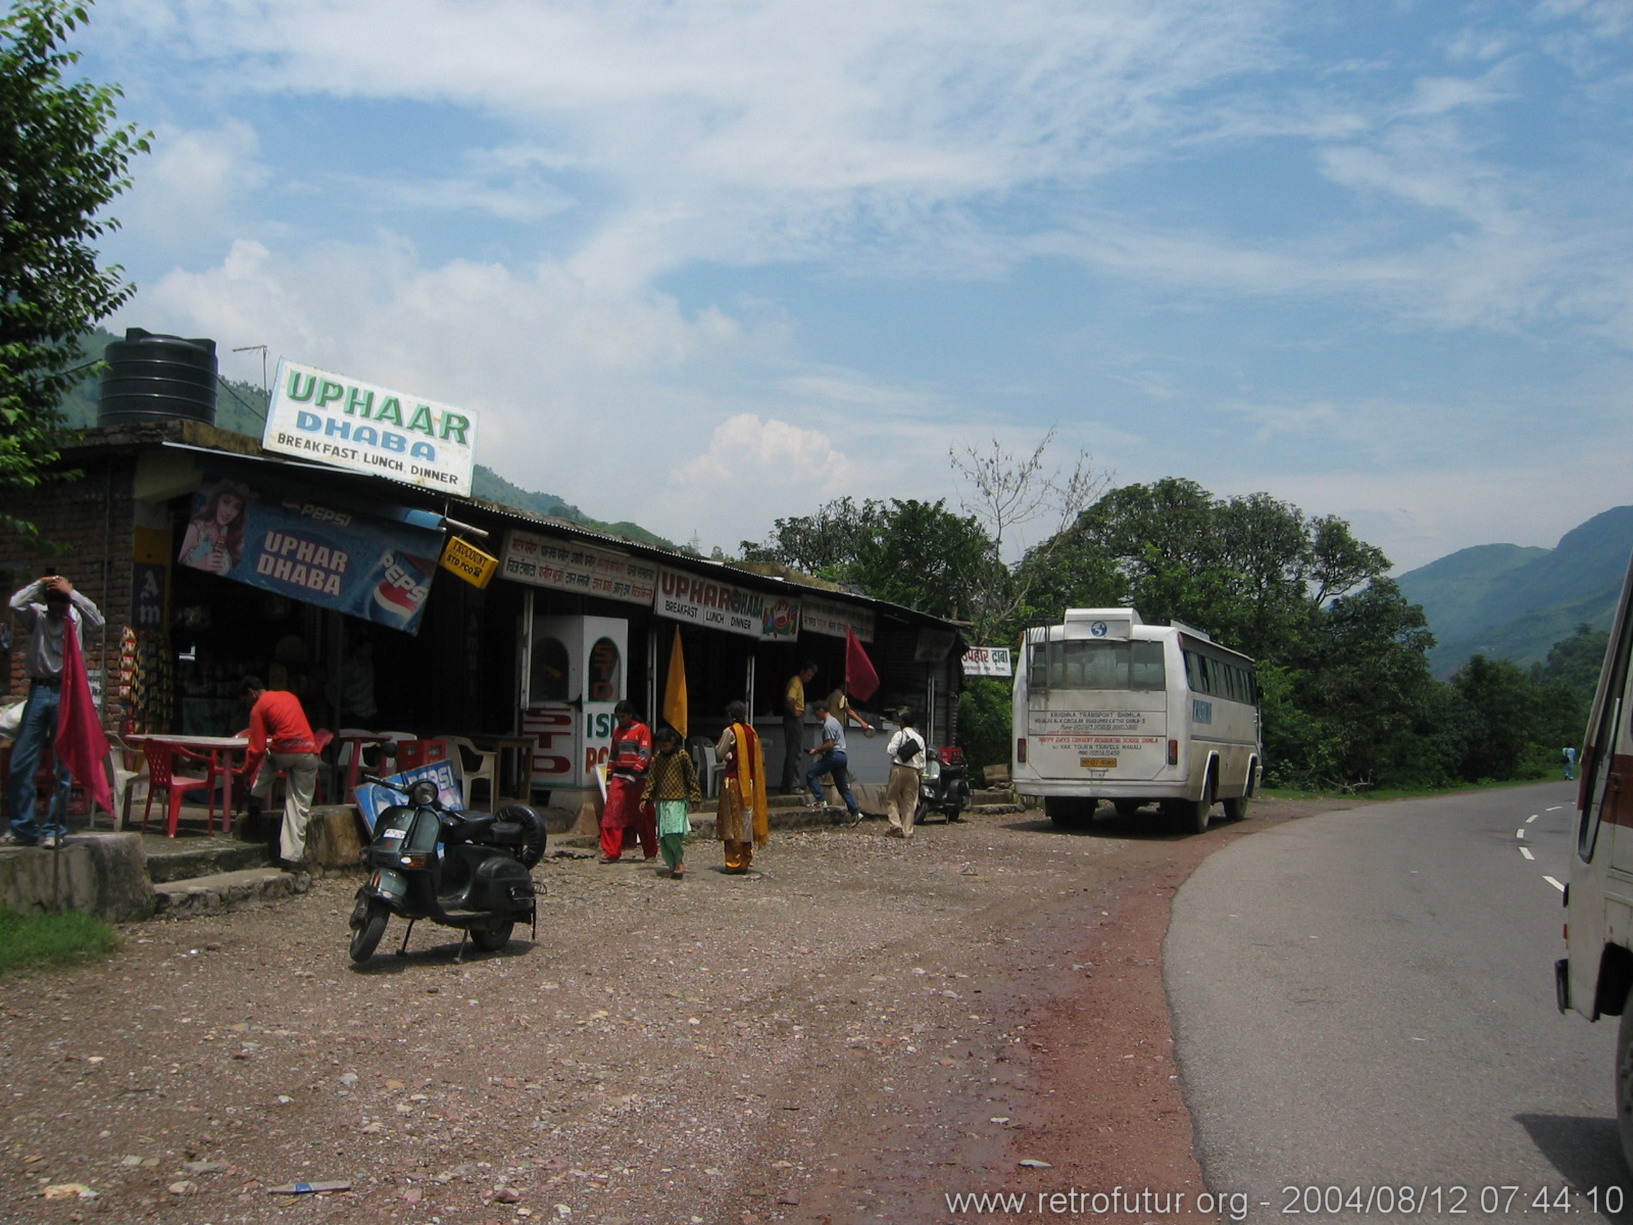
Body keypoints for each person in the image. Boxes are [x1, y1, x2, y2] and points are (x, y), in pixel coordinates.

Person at [5, 575, 105, 847]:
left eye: (61, 602)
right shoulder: (37, 616)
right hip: (39, 690)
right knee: (22, 762)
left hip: (66, 691)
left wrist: (72, 592)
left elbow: (100, 620)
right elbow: (15, 603)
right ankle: (23, 828)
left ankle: (54, 829)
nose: (57, 609)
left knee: (64, 763)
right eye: (53, 602)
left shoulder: (76, 619)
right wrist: (39, 584)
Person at [235, 676, 321, 870]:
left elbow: (256, 748)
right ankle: (291, 857)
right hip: (308, 752)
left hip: (283, 751)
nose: (248, 705)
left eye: (246, 700)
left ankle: (255, 798)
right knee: (298, 806)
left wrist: (244, 771)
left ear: (251, 693)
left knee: (270, 760)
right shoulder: (289, 696)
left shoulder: (258, 708)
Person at [715, 700, 769, 873]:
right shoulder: (752, 731)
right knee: (746, 821)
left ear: (731, 716)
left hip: (734, 781)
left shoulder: (730, 732)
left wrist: (727, 755)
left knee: (732, 822)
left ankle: (733, 862)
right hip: (751, 783)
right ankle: (745, 859)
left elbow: (719, 753)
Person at [600, 700, 656, 863]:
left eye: (623, 716)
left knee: (644, 814)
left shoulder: (642, 729)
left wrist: (633, 775)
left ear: (630, 715)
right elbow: (613, 755)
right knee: (612, 814)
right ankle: (611, 851)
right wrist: (609, 778)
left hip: (639, 780)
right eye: (618, 717)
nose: (620, 720)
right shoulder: (617, 732)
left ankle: (650, 851)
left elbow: (645, 754)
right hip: (619, 777)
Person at [644, 725, 702, 880]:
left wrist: (695, 797)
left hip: (677, 800)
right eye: (660, 746)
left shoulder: (682, 756)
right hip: (662, 800)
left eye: (665, 745)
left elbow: (691, 777)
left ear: (672, 741)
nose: (662, 748)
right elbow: (652, 779)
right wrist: (646, 796)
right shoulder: (658, 758)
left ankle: (679, 862)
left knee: (672, 831)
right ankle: (673, 864)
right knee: (663, 836)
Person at [805, 699, 861, 824]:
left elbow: (830, 744)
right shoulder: (835, 721)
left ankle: (820, 799)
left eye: (816, 713)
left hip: (834, 755)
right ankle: (855, 812)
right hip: (842, 756)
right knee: (842, 786)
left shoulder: (828, 725)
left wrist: (816, 750)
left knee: (811, 773)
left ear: (821, 710)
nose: (816, 716)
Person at [178, 481, 248, 575]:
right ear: (217, 501)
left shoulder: (234, 539)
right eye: (226, 502)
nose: (228, 512)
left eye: (236, 507)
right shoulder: (194, 530)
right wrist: (200, 564)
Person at [882, 711, 927, 839]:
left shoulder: (899, 735)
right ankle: (908, 830)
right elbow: (923, 760)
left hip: (898, 769)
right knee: (910, 801)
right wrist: (921, 775)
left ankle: (896, 825)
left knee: (891, 797)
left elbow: (891, 750)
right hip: (914, 772)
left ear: (903, 723)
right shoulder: (919, 739)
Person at [782, 662, 817, 794]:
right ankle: (792, 785)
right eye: (808, 675)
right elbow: (790, 698)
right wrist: (795, 712)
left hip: (794, 719)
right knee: (795, 752)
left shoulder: (798, 682)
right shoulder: (796, 682)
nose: (809, 678)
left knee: (792, 752)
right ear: (802, 672)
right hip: (794, 720)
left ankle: (786, 784)